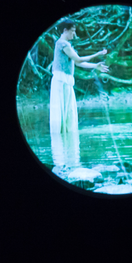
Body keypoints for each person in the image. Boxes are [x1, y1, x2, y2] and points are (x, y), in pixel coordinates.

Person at [50, 19, 109, 169]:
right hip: (60, 83)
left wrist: (95, 66)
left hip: (67, 83)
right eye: (73, 31)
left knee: (68, 115)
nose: (74, 34)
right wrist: (98, 53)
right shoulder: (62, 44)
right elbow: (78, 59)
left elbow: (78, 63)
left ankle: (68, 151)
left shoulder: (67, 45)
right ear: (65, 30)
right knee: (60, 115)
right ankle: (60, 157)